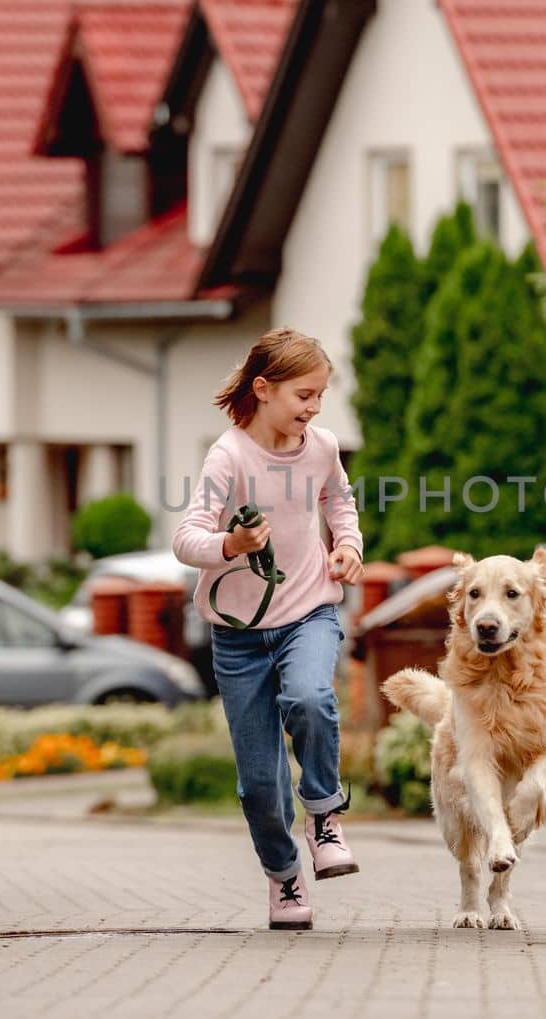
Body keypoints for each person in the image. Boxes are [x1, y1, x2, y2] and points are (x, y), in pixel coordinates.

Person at [171, 326, 365, 931]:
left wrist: (349, 546)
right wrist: (231, 543)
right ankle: (284, 880)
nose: (312, 408)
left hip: (308, 610)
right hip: (238, 635)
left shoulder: (322, 446)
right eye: (304, 395)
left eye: (320, 397)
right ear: (264, 389)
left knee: (310, 697)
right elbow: (186, 539)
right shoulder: (228, 456)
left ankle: (325, 814)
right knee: (258, 784)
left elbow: (340, 503)